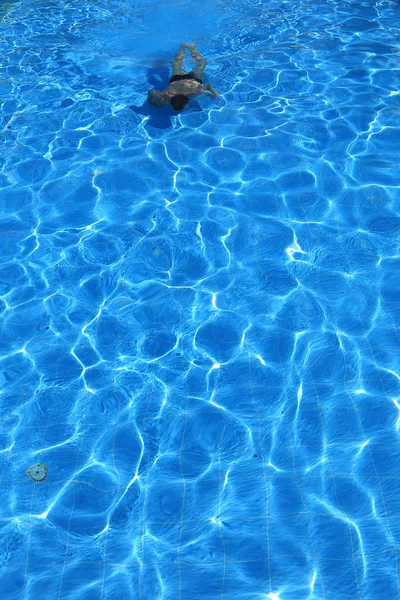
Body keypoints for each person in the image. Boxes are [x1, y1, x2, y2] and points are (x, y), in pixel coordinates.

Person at [147, 43, 218, 111]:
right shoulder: (164, 96)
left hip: (192, 79)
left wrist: (214, 95)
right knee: (177, 63)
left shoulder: (195, 92)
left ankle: (189, 47)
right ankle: (184, 47)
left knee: (202, 63)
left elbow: (208, 85)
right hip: (176, 79)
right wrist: (149, 101)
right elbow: (151, 92)